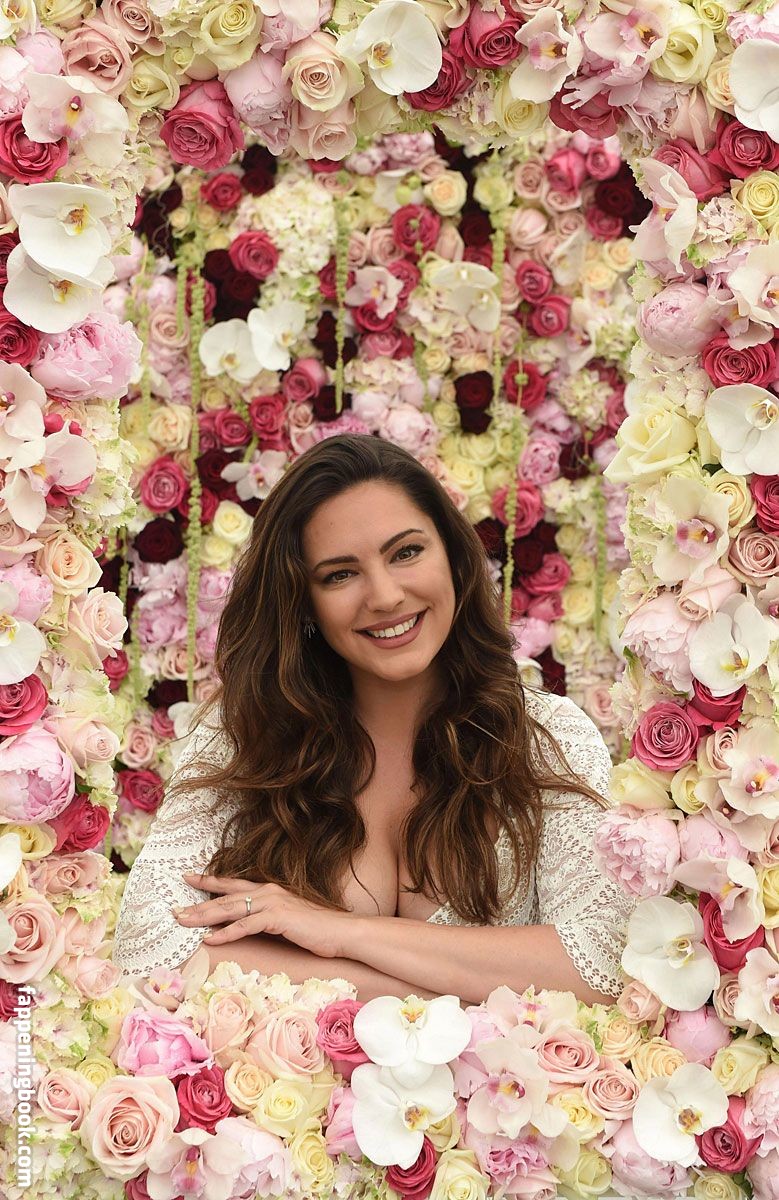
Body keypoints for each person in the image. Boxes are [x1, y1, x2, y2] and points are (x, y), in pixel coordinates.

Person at [113, 434, 633, 1005]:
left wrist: (339, 933)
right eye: (339, 574)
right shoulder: (244, 735)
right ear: (303, 602)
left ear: (454, 558)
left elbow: (601, 962)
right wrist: (449, 987)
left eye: (406, 552)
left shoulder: (547, 736)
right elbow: (150, 948)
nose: (384, 596)